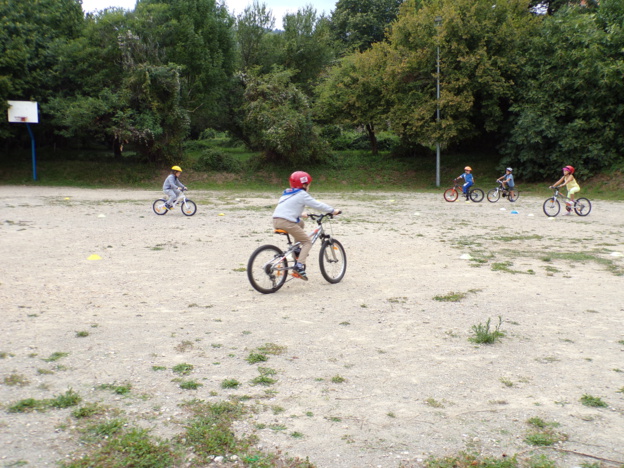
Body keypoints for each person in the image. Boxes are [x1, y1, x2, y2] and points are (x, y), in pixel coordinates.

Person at [272, 171, 340, 281]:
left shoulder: (287, 193)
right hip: (286, 222)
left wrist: (300, 214)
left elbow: (286, 208)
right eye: (308, 185)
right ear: (304, 185)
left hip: (276, 220)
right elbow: (317, 204)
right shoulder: (302, 194)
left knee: (300, 223)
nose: (309, 187)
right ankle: (299, 267)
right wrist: (333, 210)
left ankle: (296, 249)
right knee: (307, 242)